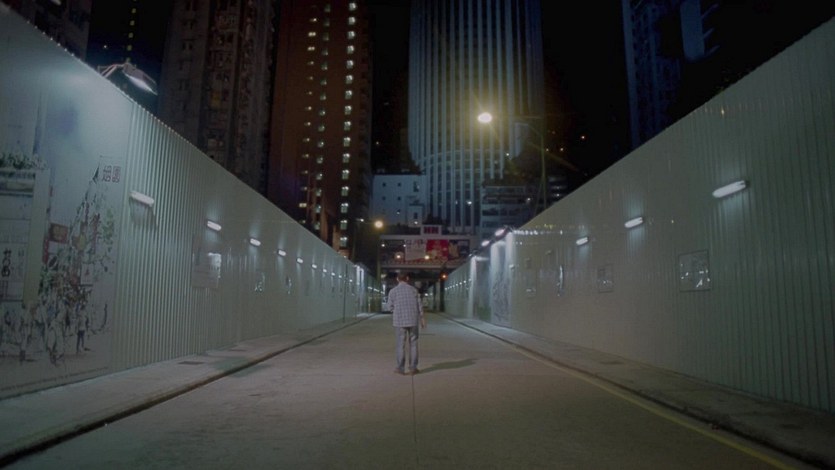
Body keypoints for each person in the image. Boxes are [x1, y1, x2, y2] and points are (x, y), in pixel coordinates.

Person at [386, 273, 425, 375]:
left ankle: (400, 368)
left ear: (397, 279)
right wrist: (422, 318)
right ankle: (413, 368)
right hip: (413, 320)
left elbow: (389, 307)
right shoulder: (414, 290)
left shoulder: (393, 291)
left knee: (400, 345)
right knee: (413, 344)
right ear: (407, 279)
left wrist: (397, 311)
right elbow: (420, 305)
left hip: (399, 322)